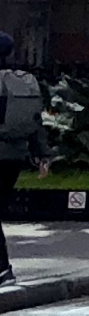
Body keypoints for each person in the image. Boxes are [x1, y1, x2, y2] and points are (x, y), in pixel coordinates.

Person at [0, 28, 42, 286]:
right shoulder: (22, 81)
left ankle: (3, 270)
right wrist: (41, 154)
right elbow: (36, 122)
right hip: (14, 157)